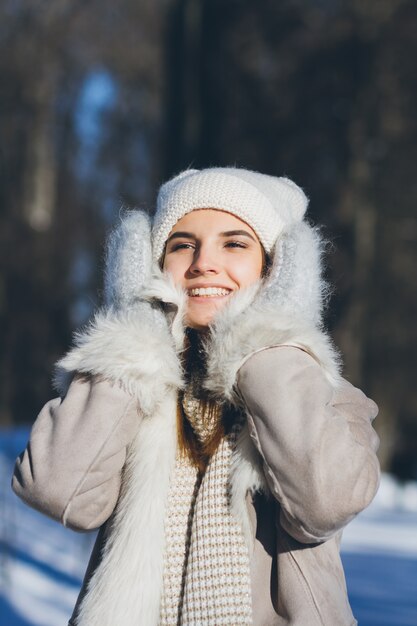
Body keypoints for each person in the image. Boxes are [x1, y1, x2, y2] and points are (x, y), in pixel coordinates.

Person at [12, 167, 380, 626]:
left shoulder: (328, 398)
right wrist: (134, 338)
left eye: (234, 243)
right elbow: (58, 491)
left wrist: (271, 338)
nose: (203, 262)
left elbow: (323, 504)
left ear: (276, 268)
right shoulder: (133, 391)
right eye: (182, 245)